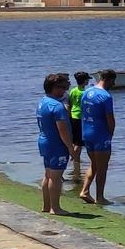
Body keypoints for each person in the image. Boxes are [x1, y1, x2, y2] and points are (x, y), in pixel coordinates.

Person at [36, 74, 75, 214]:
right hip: (56, 144)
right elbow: (62, 130)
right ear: (54, 88)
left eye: (66, 87)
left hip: (44, 141)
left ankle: (47, 206)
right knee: (56, 176)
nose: (65, 91)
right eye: (62, 88)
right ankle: (55, 208)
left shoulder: (42, 102)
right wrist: (70, 147)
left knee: (48, 174)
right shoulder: (57, 106)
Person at [78, 69, 117, 205]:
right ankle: (100, 197)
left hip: (86, 133)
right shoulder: (106, 96)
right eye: (113, 81)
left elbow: (82, 112)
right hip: (100, 134)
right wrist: (110, 135)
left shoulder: (87, 92)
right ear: (108, 80)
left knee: (94, 164)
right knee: (102, 167)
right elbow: (110, 119)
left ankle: (85, 190)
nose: (114, 84)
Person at [66, 72, 90, 185]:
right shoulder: (85, 92)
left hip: (73, 116)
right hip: (81, 118)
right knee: (79, 143)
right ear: (85, 81)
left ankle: (74, 160)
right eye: (87, 80)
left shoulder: (73, 90)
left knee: (76, 141)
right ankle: (76, 162)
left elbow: (70, 103)